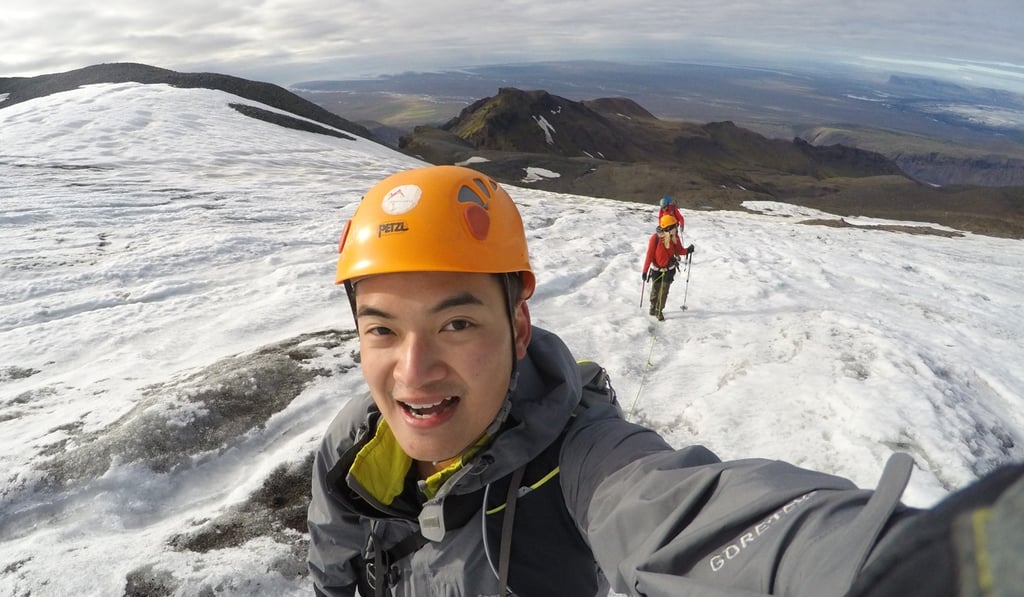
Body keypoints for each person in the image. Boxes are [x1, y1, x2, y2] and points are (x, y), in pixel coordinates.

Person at [307, 164, 1023, 597]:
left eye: (457, 323)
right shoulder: (354, 444)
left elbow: (688, 515)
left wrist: (911, 566)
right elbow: (331, 555)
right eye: (382, 328)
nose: (414, 371)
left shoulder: (581, 463)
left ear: (518, 328)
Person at [642, 214, 694, 321]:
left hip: (669, 270)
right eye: (675, 226)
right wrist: (645, 271)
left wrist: (688, 250)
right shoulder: (655, 239)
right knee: (655, 290)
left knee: (664, 292)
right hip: (656, 270)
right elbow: (649, 255)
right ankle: (653, 305)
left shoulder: (675, 238)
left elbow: (680, 250)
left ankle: (659, 310)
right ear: (668, 228)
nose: (676, 228)